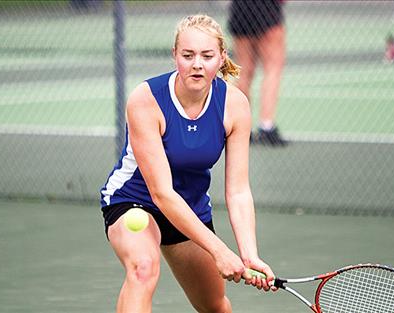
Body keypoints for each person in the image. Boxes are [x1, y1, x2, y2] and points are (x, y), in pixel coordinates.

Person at [100, 14, 275, 313]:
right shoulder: (146, 99)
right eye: (188, 55)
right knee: (143, 268)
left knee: (216, 306)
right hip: (135, 201)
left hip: (190, 207)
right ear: (174, 56)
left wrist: (249, 255)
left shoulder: (234, 105)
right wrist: (219, 250)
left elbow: (238, 191)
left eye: (207, 56)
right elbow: (162, 193)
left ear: (221, 58)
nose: (197, 64)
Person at [228, 0, 287, 146]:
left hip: (240, 10)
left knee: (243, 71)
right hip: (267, 9)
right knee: (272, 68)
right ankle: (266, 126)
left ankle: (241, 126)